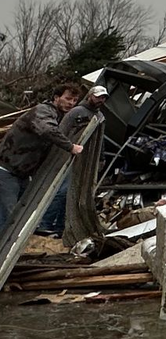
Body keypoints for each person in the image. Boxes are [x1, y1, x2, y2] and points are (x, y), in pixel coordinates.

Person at [0, 83, 84, 233]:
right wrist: (71, 147)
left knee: (21, 214)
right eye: (68, 98)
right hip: (6, 169)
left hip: (22, 172)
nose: (71, 103)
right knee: (9, 214)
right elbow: (47, 129)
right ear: (56, 97)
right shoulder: (43, 111)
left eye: (75, 100)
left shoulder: (58, 117)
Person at [38, 83, 109, 236]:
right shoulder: (76, 112)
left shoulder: (100, 117)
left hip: (86, 161)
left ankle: (61, 227)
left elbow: (100, 140)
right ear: (90, 96)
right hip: (69, 158)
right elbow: (60, 132)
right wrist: (58, 154)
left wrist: (101, 159)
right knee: (62, 191)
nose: (100, 100)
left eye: (103, 98)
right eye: (97, 97)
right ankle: (45, 223)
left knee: (74, 193)